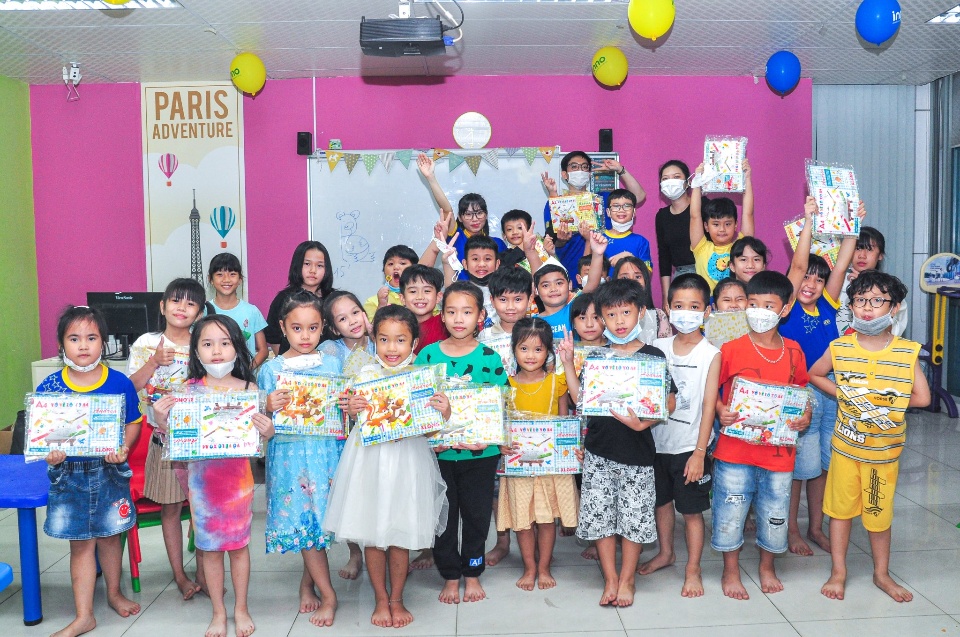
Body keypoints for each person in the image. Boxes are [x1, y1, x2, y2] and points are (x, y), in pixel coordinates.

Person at [808, 270, 930, 602]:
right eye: (860, 300)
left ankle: (881, 574)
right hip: (846, 449)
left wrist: (882, 402)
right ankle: (838, 571)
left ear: (895, 308)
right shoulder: (840, 347)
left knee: (878, 515)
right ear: (851, 306)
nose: (867, 307)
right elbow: (815, 374)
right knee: (840, 512)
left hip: (883, 454)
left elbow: (922, 398)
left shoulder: (906, 352)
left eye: (877, 301)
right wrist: (844, 394)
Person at [327, 305, 449, 627]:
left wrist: (444, 412)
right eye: (384, 339)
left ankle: (397, 598)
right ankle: (381, 599)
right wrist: (352, 409)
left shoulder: (422, 378)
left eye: (400, 340)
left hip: (408, 461)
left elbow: (431, 431)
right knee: (372, 531)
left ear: (414, 343)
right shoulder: (365, 375)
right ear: (374, 340)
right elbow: (351, 419)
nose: (391, 348)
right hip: (369, 462)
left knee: (400, 530)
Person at [153, 315, 275, 637]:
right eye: (207, 344)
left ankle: (241, 608)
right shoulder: (187, 392)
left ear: (238, 348)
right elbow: (176, 439)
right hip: (203, 486)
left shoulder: (249, 390)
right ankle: (219, 611)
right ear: (196, 351)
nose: (217, 351)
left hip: (238, 485)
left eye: (225, 343)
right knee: (208, 548)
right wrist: (162, 419)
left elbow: (261, 437)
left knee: (238, 547)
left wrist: (269, 430)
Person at [39, 305, 143, 637]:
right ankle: (84, 615)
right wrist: (50, 454)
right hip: (68, 476)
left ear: (104, 342)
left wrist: (124, 447)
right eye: (74, 338)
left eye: (91, 337)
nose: (83, 345)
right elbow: (43, 436)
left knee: (111, 537)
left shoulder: (119, 382)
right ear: (61, 344)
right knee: (81, 544)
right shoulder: (50, 386)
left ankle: (113, 593)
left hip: (109, 471)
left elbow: (134, 422)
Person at [574, 278, 677, 607]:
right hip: (599, 452)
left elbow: (670, 400)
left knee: (634, 520)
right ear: (602, 318)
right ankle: (611, 578)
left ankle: (628, 579)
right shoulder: (596, 358)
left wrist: (642, 423)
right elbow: (583, 402)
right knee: (601, 518)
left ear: (641, 312)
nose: (619, 321)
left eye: (626, 312)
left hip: (638, 454)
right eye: (611, 314)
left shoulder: (653, 356)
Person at [711, 271, 812, 600]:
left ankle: (767, 566)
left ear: (785, 308)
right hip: (734, 451)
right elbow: (711, 393)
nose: (758, 311)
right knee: (730, 510)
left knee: (775, 511)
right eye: (752, 303)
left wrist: (805, 416)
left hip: (778, 454)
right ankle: (730, 569)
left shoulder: (794, 351)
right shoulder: (730, 349)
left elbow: (801, 394)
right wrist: (720, 409)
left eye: (768, 305)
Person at [415, 282, 509, 604]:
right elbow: (417, 407)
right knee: (443, 518)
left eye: (467, 312)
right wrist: (430, 439)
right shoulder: (427, 356)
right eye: (452, 312)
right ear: (441, 316)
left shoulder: (489, 358)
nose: (459, 319)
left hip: (480, 455)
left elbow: (501, 405)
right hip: (438, 455)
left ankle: (472, 572)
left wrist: (494, 438)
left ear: (480, 316)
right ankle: (450, 576)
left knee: (477, 516)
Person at [779, 196, 862, 556]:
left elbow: (842, 263)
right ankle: (792, 530)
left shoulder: (828, 303)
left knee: (823, 466)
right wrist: (810, 219)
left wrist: (853, 224)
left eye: (818, 278)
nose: (810, 283)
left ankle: (816, 527)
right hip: (801, 396)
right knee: (800, 468)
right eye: (806, 278)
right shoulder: (787, 308)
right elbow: (799, 263)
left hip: (832, 392)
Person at [258, 291, 343, 627]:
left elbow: (341, 411)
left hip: (325, 454)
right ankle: (329, 595)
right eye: (296, 328)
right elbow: (260, 421)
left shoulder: (332, 364)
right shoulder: (271, 370)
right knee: (304, 521)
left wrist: (347, 403)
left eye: (312, 328)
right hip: (290, 459)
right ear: (283, 327)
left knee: (321, 522)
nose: (305, 336)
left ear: (323, 327)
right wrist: (267, 405)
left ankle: (307, 584)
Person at [127, 277, 205, 600]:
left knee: (203, 508)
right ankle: (180, 575)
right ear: (162, 306)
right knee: (171, 509)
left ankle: (205, 573)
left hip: (201, 441)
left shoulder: (204, 342)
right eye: (175, 300)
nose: (181, 308)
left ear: (199, 313)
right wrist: (154, 362)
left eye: (190, 303)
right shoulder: (146, 343)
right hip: (163, 441)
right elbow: (131, 387)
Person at [642, 273, 720, 598]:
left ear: (706, 311)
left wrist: (700, 453)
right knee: (661, 503)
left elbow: (709, 405)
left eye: (694, 306)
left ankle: (693, 569)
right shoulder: (656, 348)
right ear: (667, 308)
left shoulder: (710, 354)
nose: (685, 312)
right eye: (678, 305)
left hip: (690, 446)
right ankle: (666, 553)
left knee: (690, 511)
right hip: (657, 444)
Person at [498, 318, 579, 591]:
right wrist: (501, 444)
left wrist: (570, 449)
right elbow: (500, 424)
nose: (530, 355)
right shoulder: (506, 385)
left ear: (548, 352)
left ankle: (543, 567)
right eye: (524, 349)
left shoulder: (557, 383)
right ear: (513, 350)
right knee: (522, 521)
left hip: (549, 467)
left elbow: (564, 422)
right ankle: (529, 567)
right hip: (518, 465)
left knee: (546, 519)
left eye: (538, 349)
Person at [479, 266, 535, 566]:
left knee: (530, 483)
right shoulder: (484, 338)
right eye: (503, 299)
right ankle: (502, 542)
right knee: (496, 488)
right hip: (496, 422)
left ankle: (534, 543)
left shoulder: (537, 331)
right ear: (492, 301)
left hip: (532, 422)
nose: (510, 306)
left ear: (530, 298)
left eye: (517, 299)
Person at [318, 290, 376, 578]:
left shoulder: (380, 340)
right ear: (332, 327)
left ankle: (383, 548)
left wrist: (376, 334)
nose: (352, 321)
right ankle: (355, 552)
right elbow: (324, 391)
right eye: (342, 319)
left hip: (380, 429)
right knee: (350, 493)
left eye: (355, 312)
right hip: (346, 434)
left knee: (378, 490)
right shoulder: (331, 350)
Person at [541, 151, 647, 283]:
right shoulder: (556, 204)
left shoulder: (601, 199)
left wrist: (620, 170)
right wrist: (561, 240)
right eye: (574, 167)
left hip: (604, 273)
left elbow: (639, 196)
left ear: (589, 173)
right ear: (564, 174)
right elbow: (551, 242)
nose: (580, 171)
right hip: (570, 271)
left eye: (584, 167)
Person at [417, 152, 506, 269]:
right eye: (468, 214)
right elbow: (447, 210)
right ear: (460, 217)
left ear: (486, 215)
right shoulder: (456, 236)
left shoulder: (498, 244)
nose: (475, 219)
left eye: (479, 213)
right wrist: (431, 178)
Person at [689, 159, 754, 291]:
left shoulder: (741, 247)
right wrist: (697, 182)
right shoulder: (701, 247)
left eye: (728, 224)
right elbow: (695, 216)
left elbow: (748, 214)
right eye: (716, 224)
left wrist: (747, 178)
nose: (722, 229)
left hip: (736, 300)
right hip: (708, 302)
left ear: (736, 225)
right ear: (706, 226)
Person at [265, 241, 335, 355]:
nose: (313, 270)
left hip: (328, 364)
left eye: (320, 265)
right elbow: (273, 338)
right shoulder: (283, 299)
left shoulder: (334, 300)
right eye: (307, 264)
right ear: (297, 265)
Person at [835, 226, 907, 336]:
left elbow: (895, 330)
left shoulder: (890, 288)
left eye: (869, 249)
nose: (862, 255)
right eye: (857, 248)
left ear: (880, 255)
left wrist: (866, 284)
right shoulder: (835, 283)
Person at [207, 253, 269, 369]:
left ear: (240, 279)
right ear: (210, 279)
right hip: (211, 376)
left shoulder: (252, 311)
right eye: (220, 274)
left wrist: (247, 370)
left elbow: (263, 350)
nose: (226, 280)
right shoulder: (203, 311)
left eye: (232, 274)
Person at [654, 159, 698, 308]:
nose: (670, 182)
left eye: (676, 177)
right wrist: (666, 296)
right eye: (665, 179)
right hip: (680, 277)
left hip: (707, 271)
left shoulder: (703, 206)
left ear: (688, 182)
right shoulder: (662, 216)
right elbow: (664, 256)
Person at [441, 234, 501, 329]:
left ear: (497, 264)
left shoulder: (505, 290)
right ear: (465, 264)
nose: (481, 264)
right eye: (475, 259)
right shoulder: (461, 292)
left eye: (487, 259)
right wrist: (448, 264)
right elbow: (449, 295)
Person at [613, 257, 672, 340]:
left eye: (637, 277)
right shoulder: (607, 314)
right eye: (625, 278)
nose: (632, 281)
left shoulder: (659, 316)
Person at [594, 188, 652, 272]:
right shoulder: (599, 239)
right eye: (616, 206)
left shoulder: (641, 241)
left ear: (634, 212)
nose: (621, 210)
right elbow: (589, 270)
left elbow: (647, 274)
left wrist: (631, 258)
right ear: (608, 212)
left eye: (627, 206)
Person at [399, 264, 448, 355]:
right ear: (402, 298)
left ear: (438, 297)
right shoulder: (396, 326)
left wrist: (447, 263)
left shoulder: (445, 323)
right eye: (413, 291)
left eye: (427, 291)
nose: (420, 297)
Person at [363, 245, 419, 320]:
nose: (396, 267)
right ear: (384, 271)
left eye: (402, 263)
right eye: (391, 264)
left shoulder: (423, 297)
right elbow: (371, 327)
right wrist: (381, 305)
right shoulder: (372, 302)